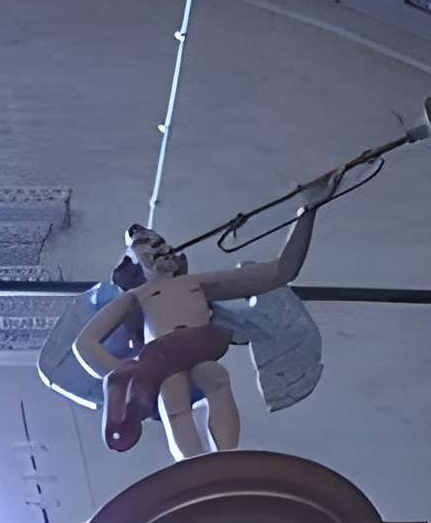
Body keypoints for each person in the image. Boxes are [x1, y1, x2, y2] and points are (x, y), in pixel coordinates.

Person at [69, 178, 336, 458]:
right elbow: (85, 343)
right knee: (172, 395)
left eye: (161, 243)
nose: (160, 248)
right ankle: (191, 463)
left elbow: (280, 272)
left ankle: (226, 455)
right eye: (148, 247)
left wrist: (308, 210)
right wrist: (122, 371)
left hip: (199, 343)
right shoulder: (137, 296)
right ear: (135, 263)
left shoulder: (196, 283)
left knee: (215, 375)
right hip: (161, 355)